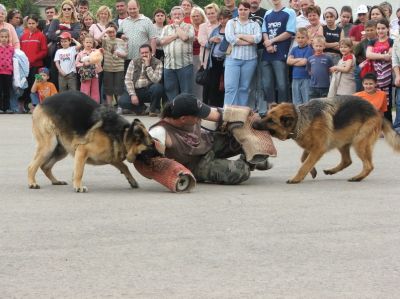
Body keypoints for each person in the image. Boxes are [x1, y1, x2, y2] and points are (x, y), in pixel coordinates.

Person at [148, 93, 251, 185]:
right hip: (197, 165)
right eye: (198, 116)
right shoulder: (160, 132)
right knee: (241, 171)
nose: (200, 118)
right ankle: (249, 161)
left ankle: (253, 157)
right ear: (183, 119)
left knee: (245, 138)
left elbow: (221, 115)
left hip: (207, 143)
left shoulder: (190, 111)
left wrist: (248, 118)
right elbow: (147, 159)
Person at [224, 1, 261, 107]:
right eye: (240, 9)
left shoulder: (255, 24)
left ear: (249, 10)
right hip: (233, 59)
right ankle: (229, 113)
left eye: (245, 9)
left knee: (244, 88)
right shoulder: (231, 23)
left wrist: (240, 35)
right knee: (231, 87)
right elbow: (231, 38)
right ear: (237, 10)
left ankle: (241, 114)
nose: (243, 12)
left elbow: (257, 39)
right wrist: (249, 41)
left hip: (250, 60)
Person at [261, 0, 296, 107]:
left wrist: (271, 41)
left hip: (281, 53)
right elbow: (264, 31)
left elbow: (289, 32)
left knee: (282, 85)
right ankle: (271, 111)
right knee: (267, 85)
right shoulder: (267, 13)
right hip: (267, 53)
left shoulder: (290, 12)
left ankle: (283, 110)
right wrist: (268, 44)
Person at [160, 6, 195, 101]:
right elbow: (162, 41)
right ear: (171, 17)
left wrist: (176, 27)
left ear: (183, 16)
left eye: (179, 14)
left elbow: (184, 37)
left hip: (185, 65)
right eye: (174, 14)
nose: (177, 16)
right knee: (170, 90)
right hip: (169, 65)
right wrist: (176, 35)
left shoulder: (189, 26)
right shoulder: (166, 28)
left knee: (186, 92)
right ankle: (175, 112)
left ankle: (186, 113)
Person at [121, 44, 163, 116]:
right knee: (122, 101)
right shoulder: (133, 62)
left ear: (151, 52)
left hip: (149, 90)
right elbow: (128, 79)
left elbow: (156, 80)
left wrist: (148, 66)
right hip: (136, 91)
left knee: (158, 87)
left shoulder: (158, 62)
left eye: (146, 52)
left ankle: (153, 110)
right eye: (142, 53)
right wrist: (133, 95)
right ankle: (142, 109)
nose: (144, 54)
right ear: (139, 54)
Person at [47, 0, 81, 87]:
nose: (66, 11)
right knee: (55, 75)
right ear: (62, 10)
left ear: (72, 10)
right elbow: (50, 35)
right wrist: (68, 31)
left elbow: (76, 34)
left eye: (69, 9)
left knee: (72, 76)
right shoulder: (55, 21)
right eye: (64, 9)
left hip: (71, 52)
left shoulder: (76, 22)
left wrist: (59, 32)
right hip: (57, 50)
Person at [366, 18, 393, 123]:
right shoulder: (373, 41)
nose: (380, 31)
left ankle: (387, 124)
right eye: (378, 28)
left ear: (387, 29)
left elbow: (390, 56)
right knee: (375, 101)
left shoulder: (391, 41)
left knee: (387, 102)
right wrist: (383, 56)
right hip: (375, 75)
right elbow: (368, 54)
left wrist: (376, 56)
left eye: (383, 28)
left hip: (387, 77)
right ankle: (376, 124)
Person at [203, 7, 232, 107]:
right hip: (214, 61)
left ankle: (223, 106)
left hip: (226, 61)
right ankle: (213, 107)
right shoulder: (216, 30)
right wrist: (211, 40)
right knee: (213, 85)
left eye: (224, 18)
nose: (222, 21)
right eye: (220, 19)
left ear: (229, 18)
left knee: (225, 85)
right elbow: (207, 46)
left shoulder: (232, 30)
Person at [20, 15, 48, 109]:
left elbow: (44, 51)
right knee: (26, 85)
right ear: (26, 24)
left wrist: (34, 58)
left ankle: (35, 105)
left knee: (36, 85)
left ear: (37, 23)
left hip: (37, 66)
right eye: (29, 23)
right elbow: (20, 51)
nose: (31, 25)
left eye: (33, 23)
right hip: (25, 67)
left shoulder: (41, 35)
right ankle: (26, 105)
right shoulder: (23, 36)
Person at [118, 0, 157, 69]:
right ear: (127, 9)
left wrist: (152, 54)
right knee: (128, 79)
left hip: (143, 58)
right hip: (128, 58)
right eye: (130, 9)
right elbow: (117, 35)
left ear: (138, 7)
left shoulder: (147, 21)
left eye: (134, 8)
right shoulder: (124, 22)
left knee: (142, 79)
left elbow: (153, 39)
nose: (132, 11)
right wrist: (121, 36)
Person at [247, 0, 267, 116]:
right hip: (246, 51)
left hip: (261, 50)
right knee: (249, 81)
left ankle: (262, 109)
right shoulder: (243, 12)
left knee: (261, 80)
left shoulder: (266, 13)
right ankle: (250, 108)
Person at [101, 22, 127, 108]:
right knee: (108, 89)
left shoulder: (121, 41)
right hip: (108, 68)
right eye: (109, 32)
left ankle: (120, 107)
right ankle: (109, 107)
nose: (111, 34)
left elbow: (125, 55)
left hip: (119, 68)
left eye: (113, 31)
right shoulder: (105, 41)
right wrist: (105, 30)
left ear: (116, 31)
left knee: (119, 89)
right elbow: (97, 38)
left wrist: (119, 54)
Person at [287, 27, 313, 105]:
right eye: (298, 37)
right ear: (295, 38)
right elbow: (288, 61)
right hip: (295, 77)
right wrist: (299, 59)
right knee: (296, 101)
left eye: (302, 37)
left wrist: (294, 61)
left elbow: (304, 62)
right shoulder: (294, 49)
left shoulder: (309, 49)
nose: (300, 40)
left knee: (306, 100)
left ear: (307, 38)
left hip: (306, 78)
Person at [76, 35, 102, 102]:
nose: (88, 44)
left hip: (94, 74)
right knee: (85, 90)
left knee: (95, 90)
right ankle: (84, 105)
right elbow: (76, 64)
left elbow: (100, 58)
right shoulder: (80, 53)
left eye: (90, 42)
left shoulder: (95, 51)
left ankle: (95, 105)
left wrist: (101, 52)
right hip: (85, 75)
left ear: (93, 43)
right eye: (87, 42)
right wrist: (84, 64)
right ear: (83, 43)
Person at [353, 20, 377, 92]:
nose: (369, 32)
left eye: (372, 30)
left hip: (377, 68)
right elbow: (354, 54)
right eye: (367, 30)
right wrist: (360, 61)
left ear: (376, 29)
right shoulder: (363, 43)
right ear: (364, 31)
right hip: (366, 69)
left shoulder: (379, 40)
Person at [190, 7, 207, 100]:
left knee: (202, 81)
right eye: (194, 16)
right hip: (192, 57)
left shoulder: (206, 26)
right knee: (194, 82)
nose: (196, 18)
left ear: (202, 16)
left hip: (204, 56)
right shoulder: (189, 28)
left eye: (198, 15)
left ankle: (203, 102)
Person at [0, 28, 14, 113]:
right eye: (2, 37)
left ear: (9, 38)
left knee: (7, 91)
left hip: (8, 72)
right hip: (0, 72)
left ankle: (7, 107)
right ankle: (0, 108)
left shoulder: (11, 48)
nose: (4, 38)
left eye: (6, 37)